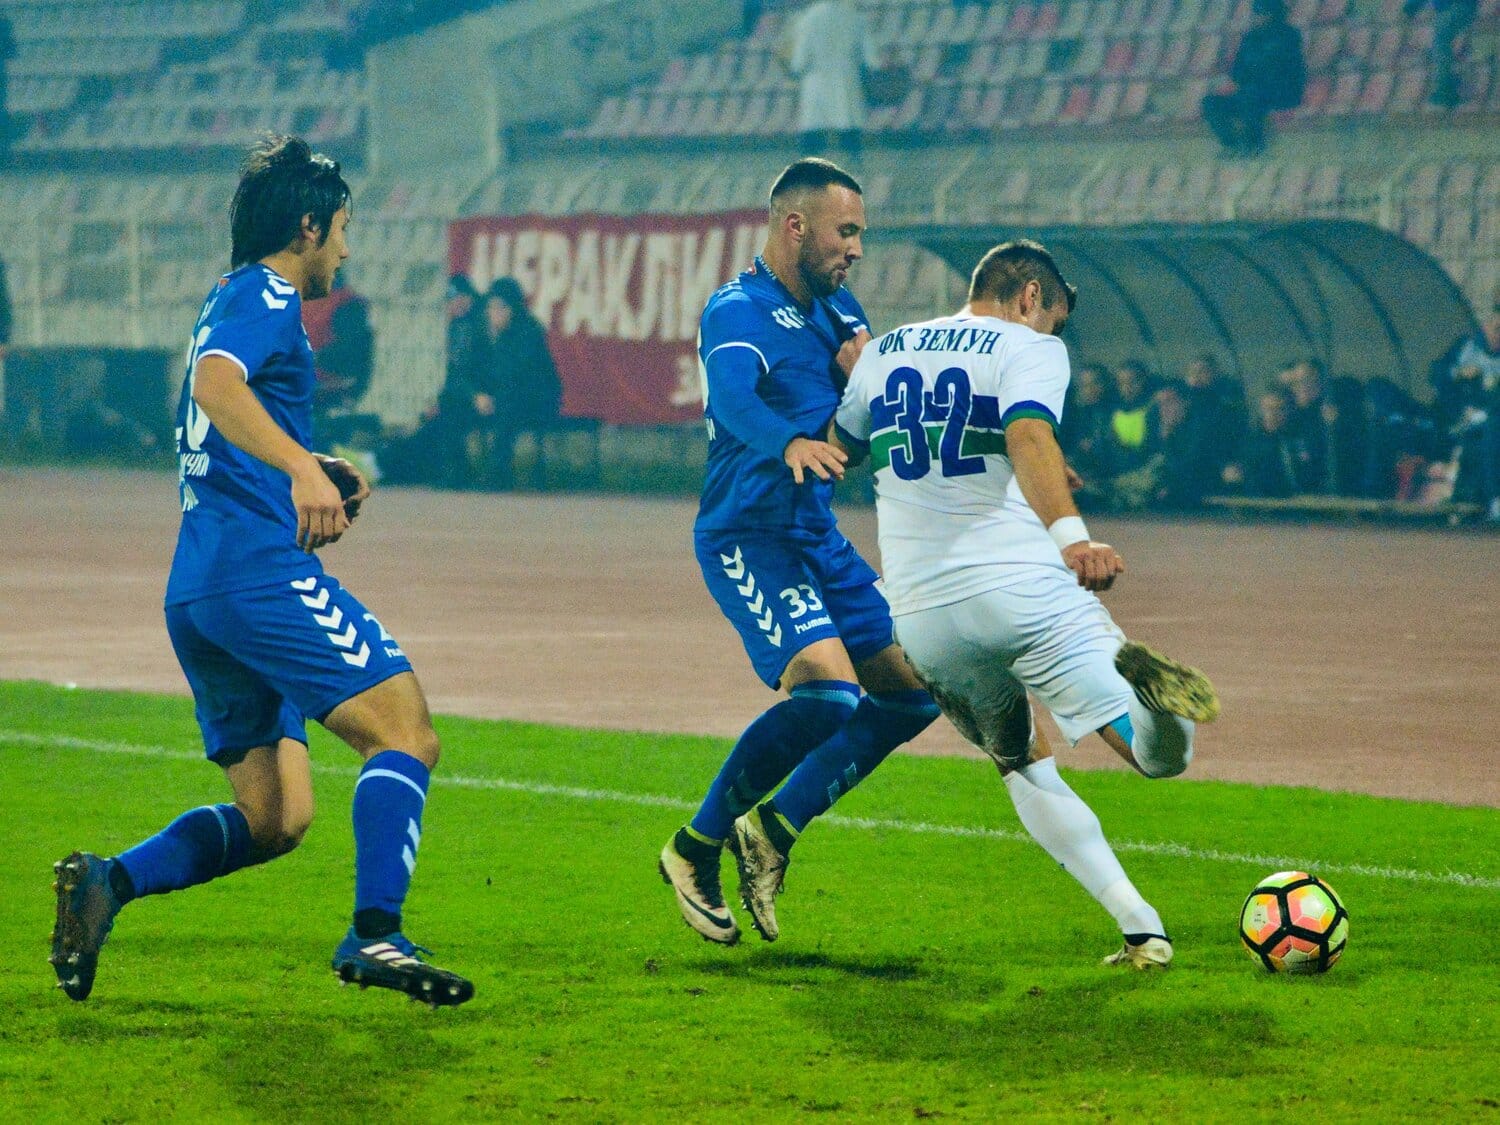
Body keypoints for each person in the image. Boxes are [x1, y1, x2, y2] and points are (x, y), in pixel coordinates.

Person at [48, 135, 473, 1007]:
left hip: (201, 586)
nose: (346, 250)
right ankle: (377, 933)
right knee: (406, 731)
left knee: (277, 817)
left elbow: (227, 409)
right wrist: (303, 469)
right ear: (308, 226)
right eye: (342, 229)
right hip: (253, 575)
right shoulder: (270, 293)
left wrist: (311, 466)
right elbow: (214, 386)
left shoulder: (231, 294)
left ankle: (107, 882)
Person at [829, 239, 1220, 969]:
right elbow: (1028, 432)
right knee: (1155, 757)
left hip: (924, 616)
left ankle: (1141, 927)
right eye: (1056, 319)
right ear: (1031, 296)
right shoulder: (1028, 344)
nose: (1054, 333)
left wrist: (852, 380)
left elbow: (841, 450)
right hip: (1024, 593)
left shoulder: (886, 352)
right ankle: (1155, 701)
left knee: (1021, 761)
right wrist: (1075, 539)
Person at [659, 157, 942, 946]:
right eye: (845, 231)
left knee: (914, 695)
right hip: (748, 536)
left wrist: (873, 386)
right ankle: (694, 847)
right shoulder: (737, 309)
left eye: (860, 234)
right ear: (795, 226)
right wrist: (788, 441)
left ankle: (772, 830)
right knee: (828, 697)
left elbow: (865, 420)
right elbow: (732, 398)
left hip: (815, 536)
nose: (856, 249)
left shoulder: (839, 308)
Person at [472, 277, 563, 490]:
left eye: (499, 308)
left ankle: (498, 472)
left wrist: (495, 395)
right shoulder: (490, 333)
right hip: (507, 397)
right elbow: (483, 372)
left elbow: (520, 375)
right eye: (490, 308)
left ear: (512, 309)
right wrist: (479, 394)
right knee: (462, 402)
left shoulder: (529, 331)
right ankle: (455, 470)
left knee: (508, 404)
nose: (493, 313)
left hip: (538, 401)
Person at [1201, 0, 1305, 157]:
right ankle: (1232, 144)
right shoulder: (1250, 38)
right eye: (1258, 13)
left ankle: (1254, 144)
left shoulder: (1289, 35)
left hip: (1281, 93)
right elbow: (1238, 71)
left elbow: (1288, 70)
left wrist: (1254, 80)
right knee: (1211, 103)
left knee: (1251, 95)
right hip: (1250, 93)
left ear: (1273, 14)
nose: (1259, 17)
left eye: (1263, 13)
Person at [783, 1, 882, 157]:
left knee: (813, 133)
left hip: (816, 83)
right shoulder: (855, 17)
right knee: (848, 127)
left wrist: (794, 68)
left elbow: (800, 60)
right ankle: (854, 166)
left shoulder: (808, 18)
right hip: (846, 81)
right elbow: (872, 59)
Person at [1404, 0, 1477, 108]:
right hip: (1454, 8)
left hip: (1457, 6)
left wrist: (1410, 8)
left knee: (1440, 42)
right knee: (1439, 43)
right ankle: (1448, 84)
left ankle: (1445, 88)